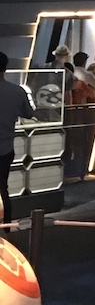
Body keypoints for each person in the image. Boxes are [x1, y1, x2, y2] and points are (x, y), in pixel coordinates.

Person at [0, 51, 34, 231]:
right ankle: (6, 226)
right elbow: (29, 113)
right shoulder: (17, 91)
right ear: (5, 68)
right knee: (2, 188)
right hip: (5, 147)